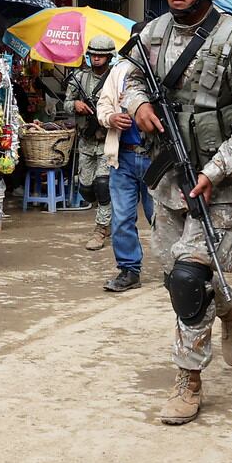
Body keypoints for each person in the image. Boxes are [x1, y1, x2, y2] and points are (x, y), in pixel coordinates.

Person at [117, 0, 232, 425]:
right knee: (175, 277)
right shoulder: (152, 33)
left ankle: (188, 378)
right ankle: (230, 307)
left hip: (216, 185)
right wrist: (136, 102)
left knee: (189, 279)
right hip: (167, 180)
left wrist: (215, 168)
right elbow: (129, 79)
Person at [96, 42, 152, 293]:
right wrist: (111, 118)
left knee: (162, 217)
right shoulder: (118, 71)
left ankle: (176, 266)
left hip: (157, 158)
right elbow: (103, 106)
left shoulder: (164, 70)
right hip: (124, 158)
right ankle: (129, 270)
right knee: (121, 218)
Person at [66, 34, 117, 250]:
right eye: (93, 54)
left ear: (108, 57)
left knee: (103, 185)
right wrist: (75, 104)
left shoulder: (116, 78)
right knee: (86, 188)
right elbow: (66, 103)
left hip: (107, 139)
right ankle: (107, 216)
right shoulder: (79, 78)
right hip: (86, 140)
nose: (96, 58)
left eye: (101, 55)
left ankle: (100, 228)